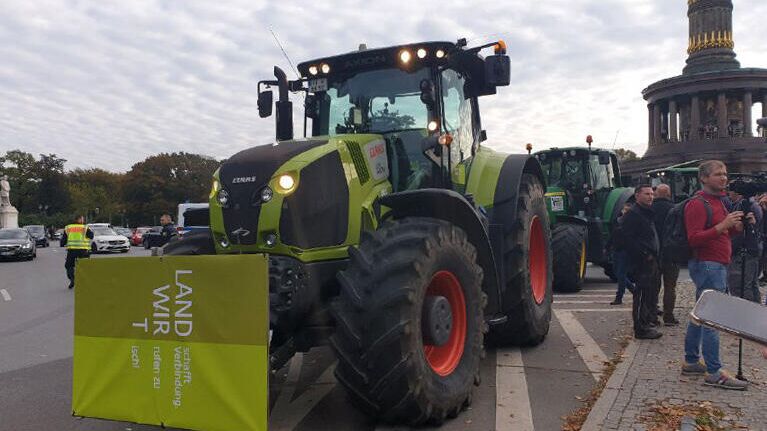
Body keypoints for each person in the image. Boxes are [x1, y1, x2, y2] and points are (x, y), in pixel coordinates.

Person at [682, 160, 749, 390]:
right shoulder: (697, 204)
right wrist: (723, 226)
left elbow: (721, 236)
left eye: (725, 174)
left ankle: (691, 361)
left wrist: (735, 227)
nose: (724, 178)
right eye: (718, 174)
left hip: (717, 263)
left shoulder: (721, 202)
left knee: (700, 314)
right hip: (708, 265)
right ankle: (714, 372)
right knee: (713, 319)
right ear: (704, 178)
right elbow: (694, 238)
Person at [621, 184, 662, 339]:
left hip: (651, 259)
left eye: (652, 194)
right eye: (646, 194)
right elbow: (627, 239)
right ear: (637, 195)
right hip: (642, 261)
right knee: (642, 293)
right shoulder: (633, 214)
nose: (650, 196)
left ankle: (646, 322)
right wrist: (644, 254)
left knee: (649, 293)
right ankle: (640, 328)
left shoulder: (647, 213)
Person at [726, 190, 763, 303]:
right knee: (751, 284)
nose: (728, 193)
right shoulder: (751, 205)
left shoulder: (747, 206)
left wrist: (731, 248)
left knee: (741, 286)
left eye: (731, 190)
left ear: (738, 193)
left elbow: (742, 232)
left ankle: (746, 315)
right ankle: (756, 314)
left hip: (745, 251)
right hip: (752, 249)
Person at [652, 184, 679, 326]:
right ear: (669, 194)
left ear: (656, 194)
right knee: (670, 287)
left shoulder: (649, 209)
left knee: (653, 286)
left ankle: (652, 316)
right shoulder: (675, 209)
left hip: (653, 253)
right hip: (671, 253)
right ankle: (668, 316)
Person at [611, 202, 635, 305]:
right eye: (624, 209)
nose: (624, 211)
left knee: (621, 274)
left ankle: (619, 297)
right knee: (618, 273)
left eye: (627, 210)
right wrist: (608, 247)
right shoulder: (617, 221)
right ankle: (634, 291)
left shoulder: (631, 222)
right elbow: (613, 235)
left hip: (625, 251)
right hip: (616, 249)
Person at [61, 215, 93, 289]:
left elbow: (63, 240)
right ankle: (86, 281)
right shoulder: (84, 227)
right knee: (85, 266)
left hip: (72, 250)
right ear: (78, 220)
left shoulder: (68, 227)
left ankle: (72, 279)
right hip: (83, 250)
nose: (83, 220)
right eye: (82, 219)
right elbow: (91, 236)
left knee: (69, 266)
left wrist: (62, 244)